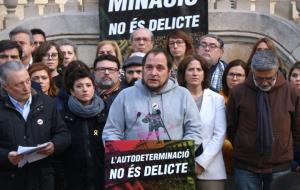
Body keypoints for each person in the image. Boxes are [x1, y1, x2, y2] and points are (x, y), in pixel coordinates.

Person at [227, 50, 300, 190]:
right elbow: (232, 127)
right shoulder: (238, 92)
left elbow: (297, 129)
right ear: (253, 71)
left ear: (277, 70)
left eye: (270, 77)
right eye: (260, 78)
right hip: (246, 165)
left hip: (280, 165)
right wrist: (245, 143)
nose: (265, 82)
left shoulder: (291, 92)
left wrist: (290, 154)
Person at [102, 49, 202, 146]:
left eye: (160, 68)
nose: (153, 73)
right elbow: (112, 132)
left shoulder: (183, 95)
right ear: (143, 69)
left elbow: (195, 131)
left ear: (169, 72)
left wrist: (179, 153)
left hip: (175, 160)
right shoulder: (125, 96)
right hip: (134, 161)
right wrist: (120, 155)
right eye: (149, 67)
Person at [0, 61, 70, 190]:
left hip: (42, 178)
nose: (26, 87)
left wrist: (54, 145)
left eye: (27, 81)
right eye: (19, 84)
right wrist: (6, 157)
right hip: (9, 180)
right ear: (5, 86)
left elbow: (63, 134)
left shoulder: (47, 103)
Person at [177, 54, 226, 190]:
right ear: (183, 73)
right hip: (179, 166)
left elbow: (219, 134)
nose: (195, 73)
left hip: (211, 168)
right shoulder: (173, 98)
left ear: (204, 74)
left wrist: (201, 163)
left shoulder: (216, 99)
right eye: (190, 69)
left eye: (199, 70)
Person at [61, 68, 106, 190]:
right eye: (79, 86)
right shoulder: (63, 114)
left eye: (88, 85)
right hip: (73, 178)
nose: (85, 89)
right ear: (72, 91)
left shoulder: (105, 110)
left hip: (102, 176)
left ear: (94, 88)